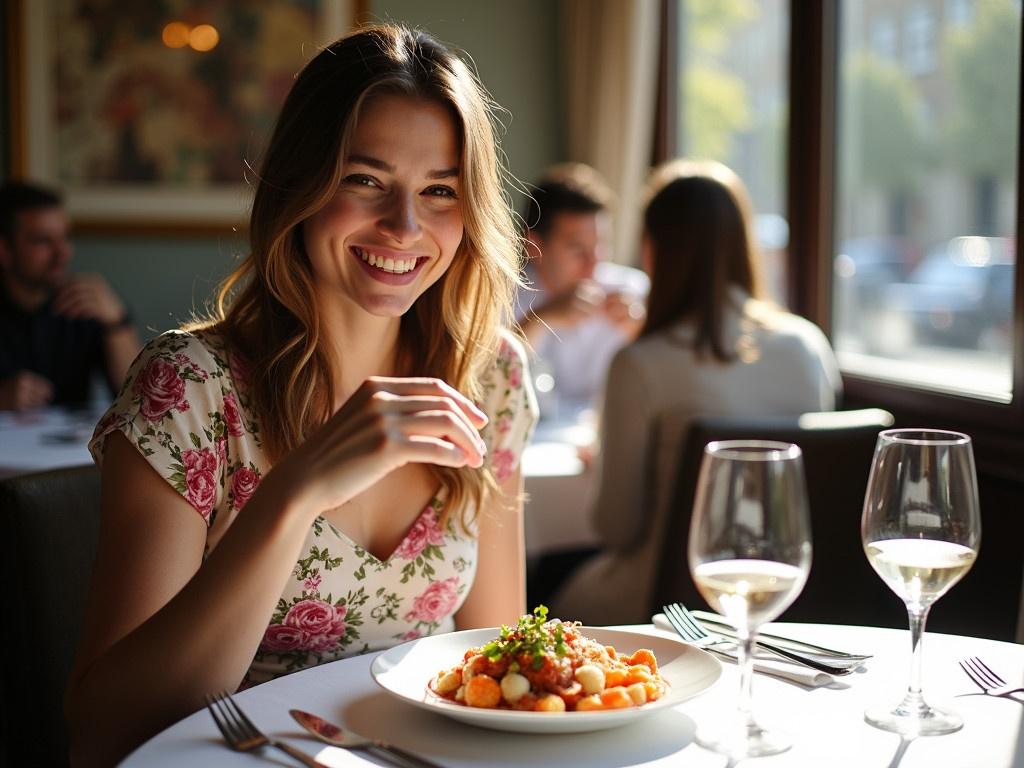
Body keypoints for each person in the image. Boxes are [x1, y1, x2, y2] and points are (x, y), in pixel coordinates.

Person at [64, 24, 537, 766]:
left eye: (439, 191)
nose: (405, 227)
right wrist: (294, 492)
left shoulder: (491, 375)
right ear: (299, 185)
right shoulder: (189, 389)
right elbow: (102, 736)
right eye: (365, 180)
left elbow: (498, 666)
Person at [549, 159, 841, 625]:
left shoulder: (642, 363)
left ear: (652, 251)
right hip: (788, 604)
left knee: (548, 593)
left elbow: (616, 529)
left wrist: (606, 458)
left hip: (665, 610)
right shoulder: (809, 347)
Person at [517, 163, 648, 416]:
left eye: (601, 246)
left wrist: (641, 331)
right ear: (534, 246)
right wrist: (540, 319)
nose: (594, 263)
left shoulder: (633, 291)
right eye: (578, 249)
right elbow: (490, 378)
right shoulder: (501, 297)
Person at [0, 181, 141, 411]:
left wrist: (116, 322)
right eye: (43, 241)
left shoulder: (82, 303)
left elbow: (138, 398)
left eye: (65, 237)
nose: (62, 253)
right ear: (4, 250)